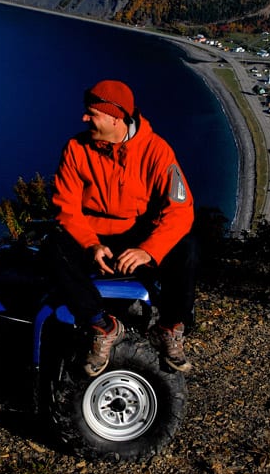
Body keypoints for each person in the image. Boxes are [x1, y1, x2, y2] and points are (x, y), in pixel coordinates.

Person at [46, 80, 197, 376]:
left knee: (187, 247)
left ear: (116, 117)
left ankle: (169, 327)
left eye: (92, 114)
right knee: (54, 247)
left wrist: (148, 251)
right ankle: (102, 326)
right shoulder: (76, 149)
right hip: (94, 238)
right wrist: (90, 244)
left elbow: (180, 210)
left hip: (139, 239)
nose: (84, 119)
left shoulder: (157, 151)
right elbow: (66, 208)